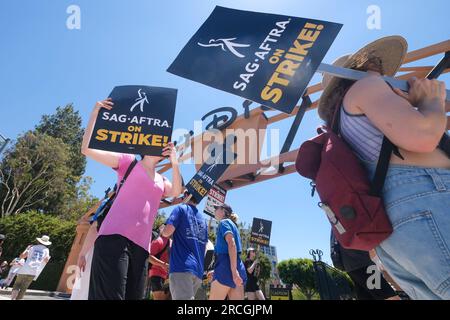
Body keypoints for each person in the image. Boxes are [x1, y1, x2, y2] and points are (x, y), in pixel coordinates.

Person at [318, 35, 449, 299]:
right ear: (361, 69)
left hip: (394, 227)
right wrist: (431, 101)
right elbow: (422, 135)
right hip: (425, 198)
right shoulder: (367, 85)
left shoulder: (342, 123)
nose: (380, 72)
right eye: (375, 66)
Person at [81, 98, 182, 300]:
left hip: (141, 248)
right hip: (114, 239)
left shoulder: (162, 181)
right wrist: (95, 113)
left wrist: (175, 162)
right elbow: (87, 149)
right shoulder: (128, 163)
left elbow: (177, 191)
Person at [161, 192, 208, 300]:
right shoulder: (203, 220)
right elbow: (203, 246)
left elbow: (167, 232)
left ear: (187, 195)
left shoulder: (181, 209)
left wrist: (162, 231)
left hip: (182, 266)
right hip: (198, 270)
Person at [330, 233, 399, 300]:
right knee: (387, 295)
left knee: (366, 296)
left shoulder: (335, 225)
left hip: (349, 266)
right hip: (363, 263)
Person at [209, 204, 247, 300]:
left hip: (226, 266)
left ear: (223, 211)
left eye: (216, 208)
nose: (214, 210)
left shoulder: (224, 222)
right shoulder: (233, 225)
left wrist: (233, 272)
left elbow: (231, 243)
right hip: (238, 265)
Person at [11, 235, 51, 300]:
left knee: (17, 284)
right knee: (23, 288)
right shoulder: (47, 250)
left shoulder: (32, 247)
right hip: (34, 271)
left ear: (39, 241)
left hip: (25, 268)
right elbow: (46, 260)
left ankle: (13, 298)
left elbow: (22, 256)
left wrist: (26, 249)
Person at [71, 221, 98, 300]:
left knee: (83, 288)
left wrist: (82, 254)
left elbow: (95, 227)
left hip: (96, 253)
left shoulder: (106, 209)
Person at [148, 224, 172, 300]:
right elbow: (148, 256)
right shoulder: (158, 241)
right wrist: (163, 264)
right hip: (156, 274)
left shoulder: (171, 242)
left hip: (167, 276)